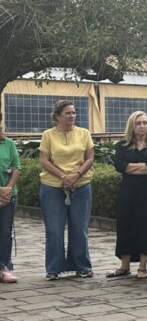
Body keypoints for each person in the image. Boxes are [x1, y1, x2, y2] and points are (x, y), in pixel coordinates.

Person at [109, 111, 147, 279]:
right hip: (128, 192)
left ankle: (143, 267)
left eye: (145, 123)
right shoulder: (121, 146)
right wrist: (143, 166)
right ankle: (124, 266)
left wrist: (131, 167)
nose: (142, 126)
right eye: (138, 123)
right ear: (132, 125)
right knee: (125, 225)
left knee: (146, 226)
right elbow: (120, 166)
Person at [38, 100, 95, 280]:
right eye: (68, 113)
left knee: (79, 228)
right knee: (54, 229)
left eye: (74, 112)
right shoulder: (48, 135)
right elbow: (44, 160)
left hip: (81, 185)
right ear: (57, 116)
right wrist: (63, 176)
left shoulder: (84, 133)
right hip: (52, 187)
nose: (72, 116)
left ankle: (82, 266)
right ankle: (53, 268)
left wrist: (76, 175)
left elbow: (90, 158)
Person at [0, 113, 21, 283]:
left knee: (5, 233)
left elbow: (16, 168)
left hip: (8, 196)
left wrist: (7, 189)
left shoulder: (8, 144)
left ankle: (4, 267)